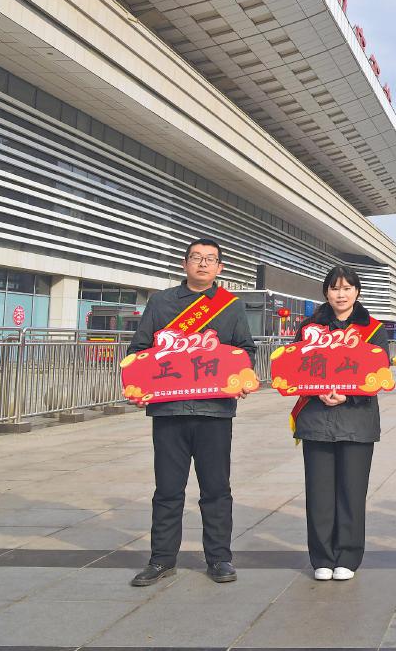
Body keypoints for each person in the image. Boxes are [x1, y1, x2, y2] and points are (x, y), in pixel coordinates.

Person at [127, 239, 255, 587]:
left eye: (210, 259)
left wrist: (243, 377)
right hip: (169, 410)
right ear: (185, 264)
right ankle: (161, 559)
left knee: (216, 488)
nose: (202, 264)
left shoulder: (230, 306)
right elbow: (139, 349)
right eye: (196, 258)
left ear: (219, 268)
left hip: (215, 412)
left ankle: (219, 558)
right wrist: (138, 386)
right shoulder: (161, 302)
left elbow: (245, 350)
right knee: (168, 489)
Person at [292, 265, 385, 582]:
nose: (341, 294)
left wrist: (348, 395)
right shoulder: (309, 328)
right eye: (335, 288)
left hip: (357, 423)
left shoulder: (372, 330)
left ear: (357, 292)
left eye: (347, 288)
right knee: (319, 493)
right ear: (326, 292)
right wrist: (316, 391)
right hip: (316, 421)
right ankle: (322, 557)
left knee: (351, 492)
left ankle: (347, 556)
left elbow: (378, 373)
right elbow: (296, 368)